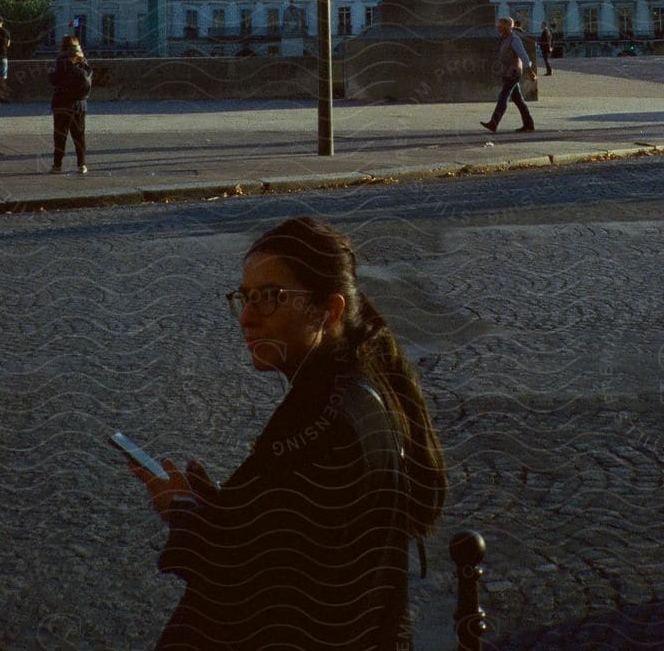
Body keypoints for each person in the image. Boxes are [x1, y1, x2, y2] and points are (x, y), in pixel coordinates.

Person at [130, 215, 447, 650]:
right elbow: (283, 541)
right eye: (244, 297)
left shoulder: (320, 420)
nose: (246, 317)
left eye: (269, 297)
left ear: (328, 310)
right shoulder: (351, 388)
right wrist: (221, 504)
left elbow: (241, 577)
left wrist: (181, 510)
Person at [480, 16, 536, 133]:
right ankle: (529, 124)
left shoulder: (514, 39)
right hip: (507, 72)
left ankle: (494, 123)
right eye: (498, 26)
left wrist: (529, 71)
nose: (498, 28)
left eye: (500, 26)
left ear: (506, 27)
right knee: (518, 100)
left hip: (513, 73)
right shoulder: (505, 39)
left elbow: (524, 56)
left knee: (503, 96)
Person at [49, 34, 91, 174]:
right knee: (79, 135)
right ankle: (82, 165)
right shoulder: (82, 60)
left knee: (60, 135)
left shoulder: (61, 60)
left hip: (62, 103)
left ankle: (57, 166)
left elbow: (54, 80)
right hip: (80, 104)